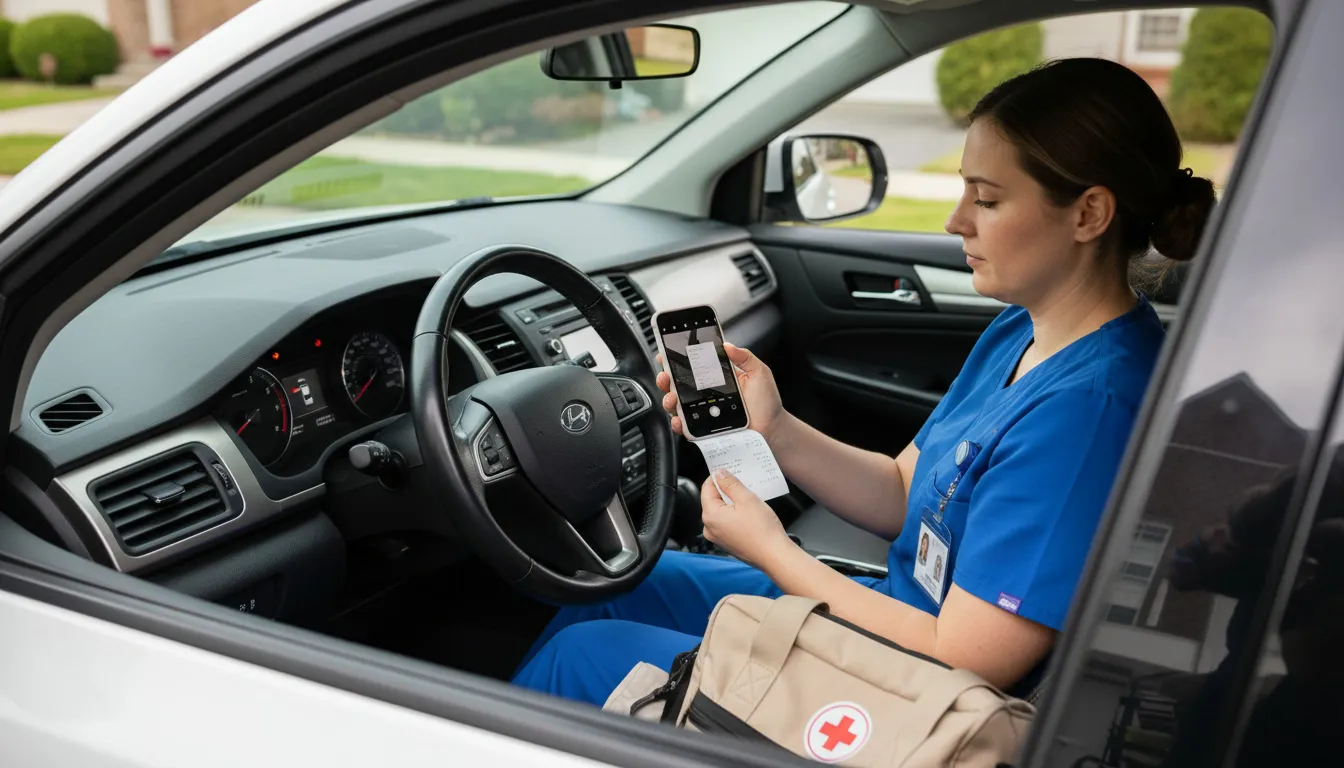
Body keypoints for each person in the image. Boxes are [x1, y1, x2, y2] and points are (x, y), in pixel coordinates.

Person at [512, 58, 1214, 706]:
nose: (955, 220)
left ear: (1089, 214)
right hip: (892, 618)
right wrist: (776, 430)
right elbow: (906, 493)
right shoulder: (1022, 329)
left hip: (918, 698)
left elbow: (965, 662)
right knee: (611, 588)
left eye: (988, 199)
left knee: (581, 657)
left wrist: (772, 550)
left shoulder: (1088, 412)